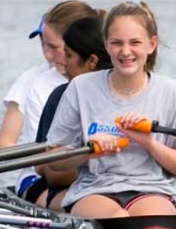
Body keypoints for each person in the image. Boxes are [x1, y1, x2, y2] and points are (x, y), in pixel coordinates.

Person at [42, 1, 176, 219]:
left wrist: (148, 143)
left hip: (151, 191)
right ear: (106, 45)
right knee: (118, 220)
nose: (126, 52)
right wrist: (88, 150)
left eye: (135, 42)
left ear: (151, 44)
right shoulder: (80, 87)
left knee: (151, 222)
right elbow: (53, 159)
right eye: (117, 43)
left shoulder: (170, 90)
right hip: (94, 191)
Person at [16, 12, 111, 209]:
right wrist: (94, 160)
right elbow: (48, 170)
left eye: (68, 55)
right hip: (70, 189)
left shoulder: (133, 93)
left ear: (91, 62)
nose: (63, 62)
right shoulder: (61, 96)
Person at [0, 0, 94, 150]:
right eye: (43, 44)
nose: (47, 55)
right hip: (40, 169)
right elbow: (3, 145)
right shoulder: (35, 82)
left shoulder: (108, 77)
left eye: (54, 47)